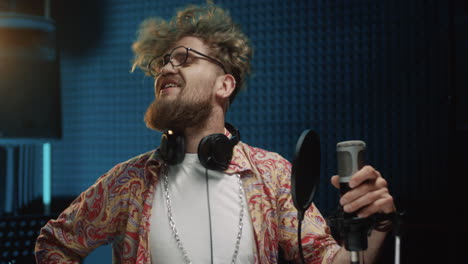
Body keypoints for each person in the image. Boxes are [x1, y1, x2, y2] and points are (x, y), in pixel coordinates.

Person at [35, 3, 396, 264]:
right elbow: (54, 244)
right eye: (162, 62)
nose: (166, 68)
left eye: (185, 58)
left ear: (225, 84)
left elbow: (331, 261)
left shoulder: (272, 175)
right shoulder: (128, 181)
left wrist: (378, 224)